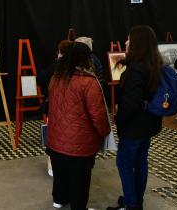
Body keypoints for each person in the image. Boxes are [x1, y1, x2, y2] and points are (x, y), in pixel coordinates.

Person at [46, 42, 110, 210]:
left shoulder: (56, 78)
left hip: (55, 140)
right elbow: (98, 115)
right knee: (80, 180)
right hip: (80, 145)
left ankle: (59, 200)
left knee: (60, 173)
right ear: (86, 58)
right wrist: (105, 132)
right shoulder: (89, 82)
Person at [107, 25, 163, 210]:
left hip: (134, 127)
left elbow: (130, 104)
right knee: (140, 162)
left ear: (137, 43)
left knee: (124, 163)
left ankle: (132, 204)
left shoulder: (136, 70)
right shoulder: (153, 65)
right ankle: (135, 201)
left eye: (129, 39)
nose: (126, 42)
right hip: (148, 125)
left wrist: (118, 120)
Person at [37, 39, 73, 177]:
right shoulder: (78, 68)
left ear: (60, 52)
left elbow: (41, 79)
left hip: (54, 108)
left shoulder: (57, 66)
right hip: (71, 111)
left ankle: (53, 167)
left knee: (54, 139)